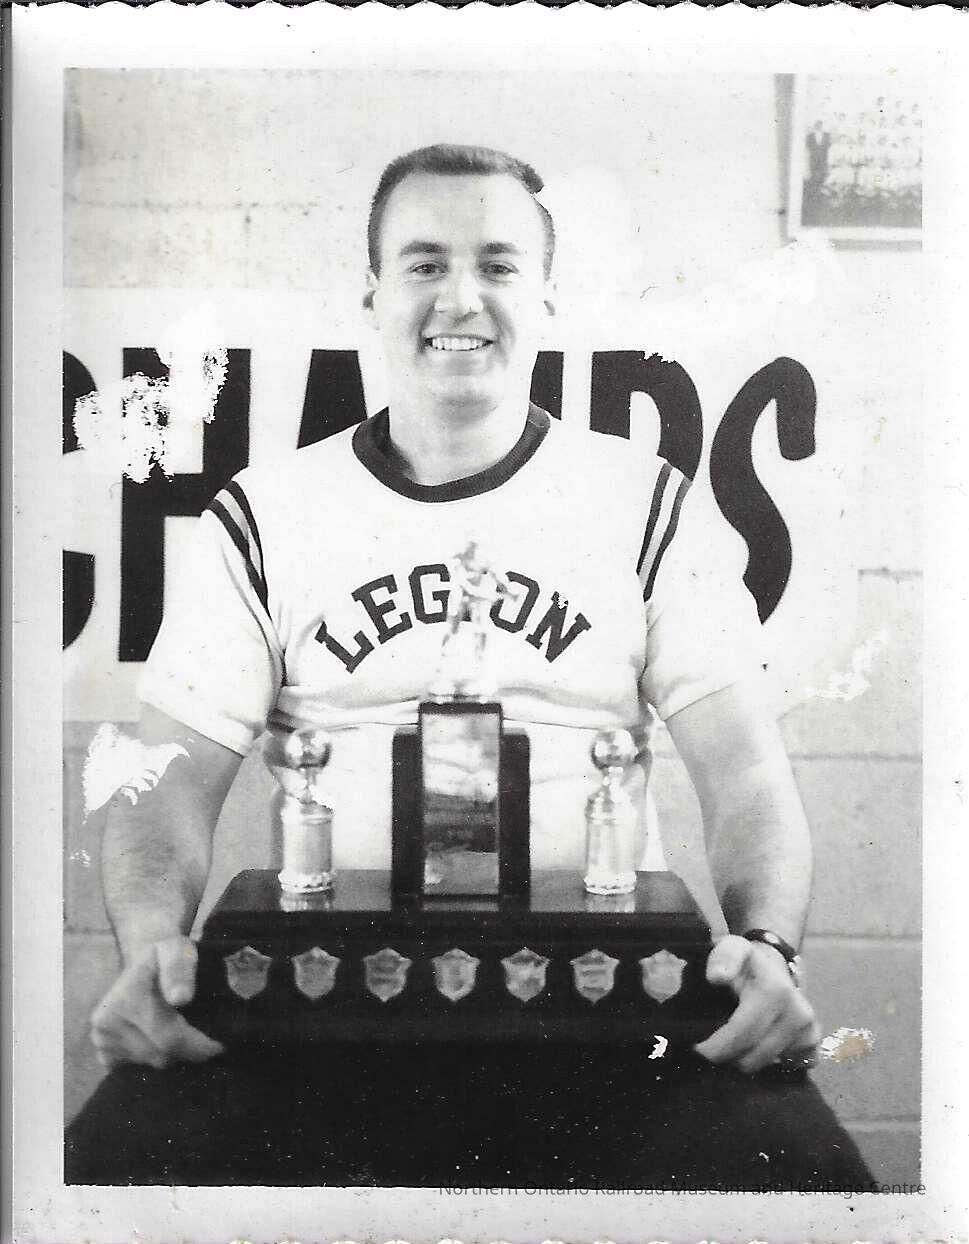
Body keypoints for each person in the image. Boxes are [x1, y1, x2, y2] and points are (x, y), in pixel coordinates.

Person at [66, 144, 874, 1190]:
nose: (461, 297)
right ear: (372, 293)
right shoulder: (265, 512)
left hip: (600, 1000)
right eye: (424, 263)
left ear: (545, 294)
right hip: (326, 1002)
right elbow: (169, 780)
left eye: (497, 264)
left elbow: (747, 772)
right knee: (111, 1169)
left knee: (812, 1179)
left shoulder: (645, 502)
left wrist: (767, 943)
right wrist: (149, 947)